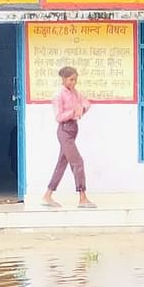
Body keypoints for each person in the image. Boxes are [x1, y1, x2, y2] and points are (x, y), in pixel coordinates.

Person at [42, 66, 96, 209]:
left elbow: (86, 103)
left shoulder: (75, 92)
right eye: (71, 79)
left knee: (62, 163)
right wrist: (73, 111)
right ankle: (82, 197)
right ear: (64, 79)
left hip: (73, 129)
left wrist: (81, 109)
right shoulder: (59, 95)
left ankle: (47, 195)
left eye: (75, 80)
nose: (73, 82)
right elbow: (59, 117)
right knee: (77, 162)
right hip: (64, 130)